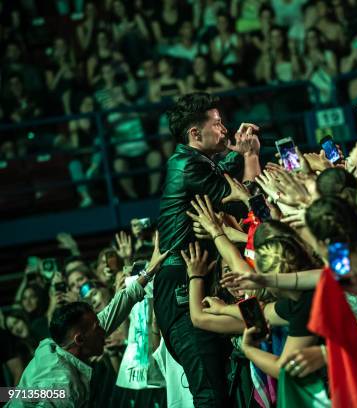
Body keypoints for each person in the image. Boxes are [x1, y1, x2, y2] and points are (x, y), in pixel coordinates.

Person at [155, 92, 261, 407]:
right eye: (217, 124)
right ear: (195, 134)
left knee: (221, 387)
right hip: (182, 284)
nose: (225, 129)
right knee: (211, 394)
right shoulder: (187, 166)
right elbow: (242, 196)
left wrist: (242, 153)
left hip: (193, 277)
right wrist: (245, 155)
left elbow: (223, 170)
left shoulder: (192, 161)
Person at [7, 236, 168, 408]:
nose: (103, 329)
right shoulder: (64, 386)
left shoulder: (51, 347)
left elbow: (122, 301)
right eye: (97, 327)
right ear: (79, 339)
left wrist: (149, 271)